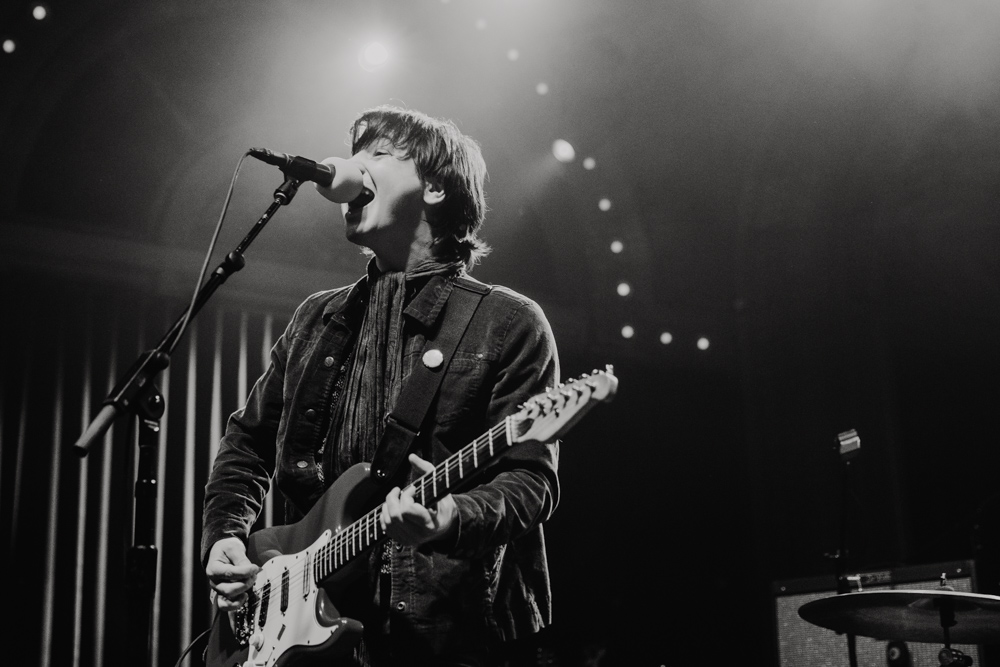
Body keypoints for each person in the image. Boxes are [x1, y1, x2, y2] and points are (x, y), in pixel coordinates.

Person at [201, 105, 560, 667]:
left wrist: (445, 519)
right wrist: (226, 536)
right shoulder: (315, 319)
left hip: (452, 636)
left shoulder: (508, 323)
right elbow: (248, 444)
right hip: (309, 628)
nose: (352, 167)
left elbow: (529, 480)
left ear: (436, 188)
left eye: (379, 154)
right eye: (355, 151)